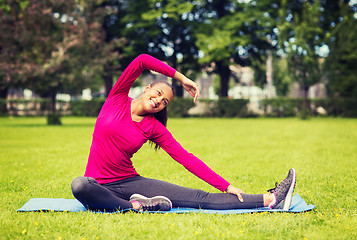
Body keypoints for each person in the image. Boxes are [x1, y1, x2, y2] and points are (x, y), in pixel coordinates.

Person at [71, 54, 296, 212]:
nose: (158, 100)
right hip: (98, 186)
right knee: (80, 186)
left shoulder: (153, 127)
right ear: (147, 88)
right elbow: (141, 60)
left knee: (199, 198)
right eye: (158, 93)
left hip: (129, 182)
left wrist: (225, 185)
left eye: (164, 101)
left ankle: (272, 199)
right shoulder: (116, 99)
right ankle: (136, 206)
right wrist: (180, 78)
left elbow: (185, 157)